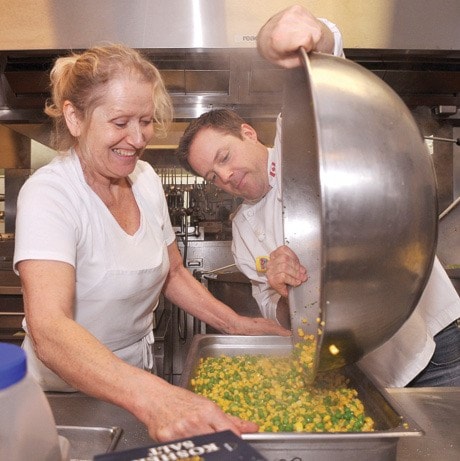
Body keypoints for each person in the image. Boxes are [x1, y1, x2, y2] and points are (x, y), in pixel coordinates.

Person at [13, 43, 292, 443]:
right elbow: (49, 328)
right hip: (62, 395)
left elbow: (172, 272)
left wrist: (239, 325)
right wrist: (157, 400)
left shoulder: (143, 179)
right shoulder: (50, 194)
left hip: (138, 382)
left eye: (145, 121)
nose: (137, 137)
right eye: (120, 121)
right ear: (75, 118)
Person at [176, 5, 460, 388]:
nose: (225, 176)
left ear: (247, 133)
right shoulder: (243, 231)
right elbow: (280, 314)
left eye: (223, 157)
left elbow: (329, 70)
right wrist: (284, 295)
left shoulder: (302, 139)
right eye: (213, 175)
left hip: (435, 346)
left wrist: (301, 36)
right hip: (360, 364)